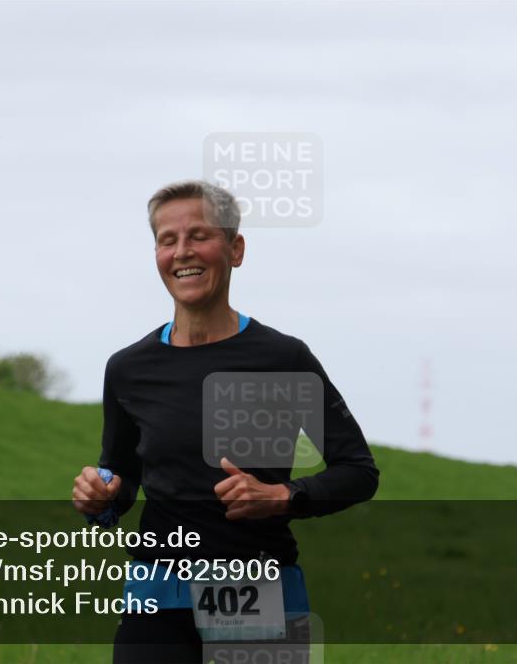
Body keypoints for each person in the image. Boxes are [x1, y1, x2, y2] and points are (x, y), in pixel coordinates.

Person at [71, 180, 379, 663]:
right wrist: (100, 497)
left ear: (235, 249)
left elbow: (358, 472)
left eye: (199, 235)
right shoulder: (129, 368)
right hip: (157, 595)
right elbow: (122, 476)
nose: (182, 251)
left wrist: (282, 497)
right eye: (167, 239)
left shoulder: (283, 358)